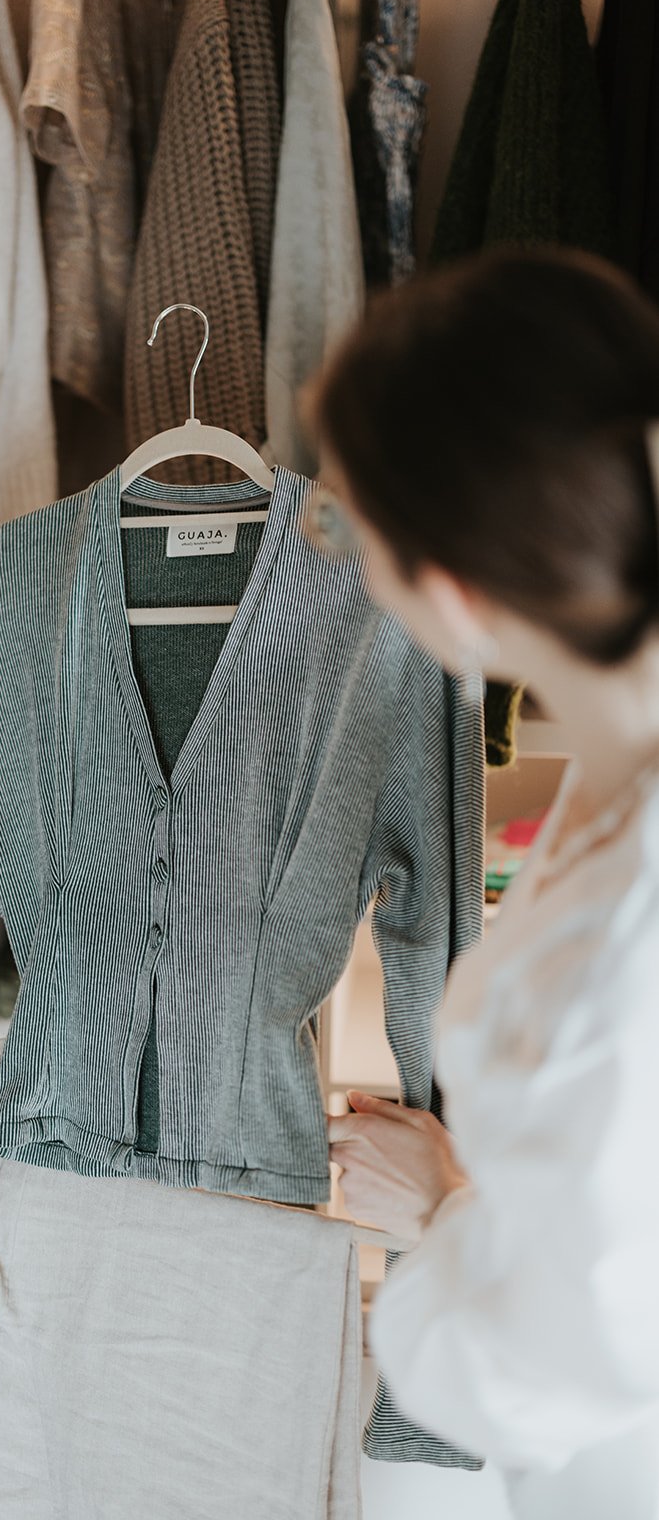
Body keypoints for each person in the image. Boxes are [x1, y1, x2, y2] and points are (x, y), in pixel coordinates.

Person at [311, 249, 659, 1518]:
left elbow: (582, 1351)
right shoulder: (617, 757)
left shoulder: (632, 915)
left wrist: (445, 1217)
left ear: (449, 594)